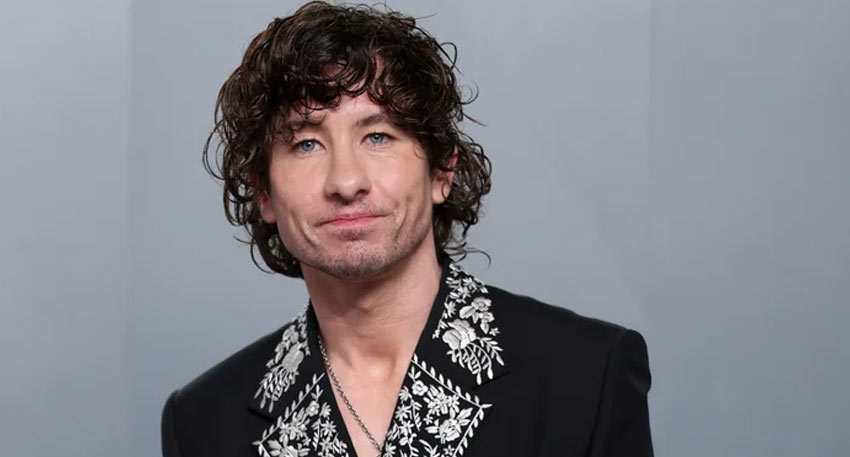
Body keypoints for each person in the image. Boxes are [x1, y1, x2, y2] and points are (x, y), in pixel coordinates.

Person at [160, 2, 654, 456]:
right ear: (264, 192)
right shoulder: (202, 422)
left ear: (442, 170)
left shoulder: (587, 375)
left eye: (378, 136)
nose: (346, 181)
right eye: (306, 144)